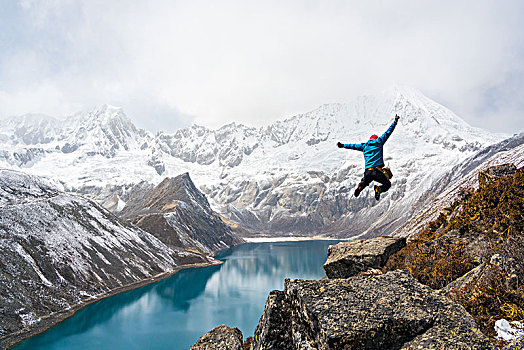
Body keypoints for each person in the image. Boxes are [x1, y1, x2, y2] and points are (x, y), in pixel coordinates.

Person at [337, 115, 400, 201]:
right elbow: (388, 132)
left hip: (368, 172)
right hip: (377, 171)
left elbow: (353, 146)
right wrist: (395, 122)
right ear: (376, 139)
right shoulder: (379, 142)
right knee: (387, 184)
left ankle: (360, 187)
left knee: (365, 182)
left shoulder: (364, 146)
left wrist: (342, 145)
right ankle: (379, 189)